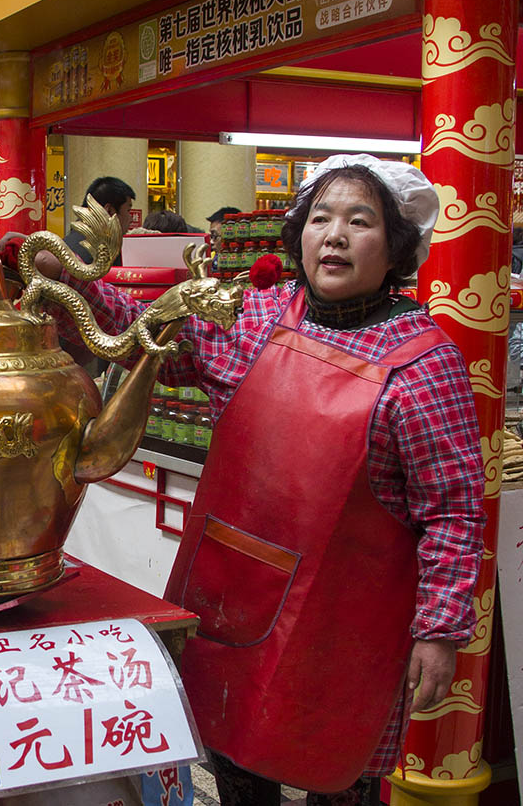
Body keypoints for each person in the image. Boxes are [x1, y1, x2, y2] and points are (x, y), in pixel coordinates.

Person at [37, 154, 485, 805]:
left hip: (348, 628)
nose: (333, 235)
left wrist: (439, 632)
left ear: (395, 247)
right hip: (231, 600)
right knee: (236, 767)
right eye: (321, 217)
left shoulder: (424, 363)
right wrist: (67, 285)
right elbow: (151, 335)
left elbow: (453, 514)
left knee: (340, 780)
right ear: (299, 234)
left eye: (359, 221)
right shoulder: (256, 316)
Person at [65, 176, 135, 266]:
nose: (131, 219)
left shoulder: (66, 244)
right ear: (109, 211)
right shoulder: (106, 251)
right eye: (128, 210)